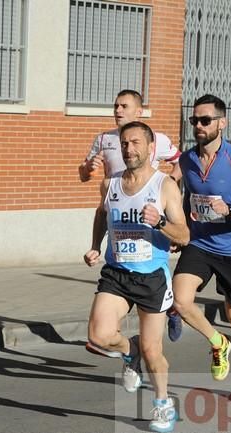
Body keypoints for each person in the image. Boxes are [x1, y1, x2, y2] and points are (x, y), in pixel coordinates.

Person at [83, 121, 189, 433]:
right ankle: (131, 351)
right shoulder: (111, 184)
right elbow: (103, 214)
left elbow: (183, 234)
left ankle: (162, 403)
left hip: (151, 278)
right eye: (125, 144)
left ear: (150, 147)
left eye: (136, 143)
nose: (129, 149)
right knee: (99, 335)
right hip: (116, 273)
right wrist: (94, 246)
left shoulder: (164, 186)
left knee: (154, 351)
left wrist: (159, 223)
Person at [172, 94, 231, 403]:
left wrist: (227, 209)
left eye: (205, 120)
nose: (198, 126)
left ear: (222, 123)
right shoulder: (186, 160)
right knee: (181, 300)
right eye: (194, 121)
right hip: (199, 244)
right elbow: (178, 192)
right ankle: (218, 342)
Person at [79, 89, 184, 343]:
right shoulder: (104, 139)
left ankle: (169, 307)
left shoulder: (154, 139)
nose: (117, 111)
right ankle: (121, 336)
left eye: (124, 106)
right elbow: (83, 175)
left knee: (149, 271)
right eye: (115, 106)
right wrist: (88, 168)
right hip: (116, 206)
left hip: (147, 213)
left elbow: (180, 161)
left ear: (139, 111)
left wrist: (169, 188)